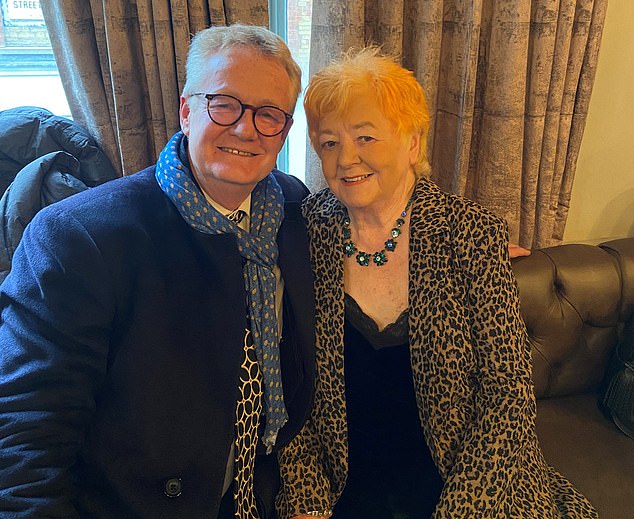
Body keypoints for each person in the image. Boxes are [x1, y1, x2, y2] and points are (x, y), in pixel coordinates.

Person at [0, 24, 315, 519]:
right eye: (224, 103)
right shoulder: (79, 238)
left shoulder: (294, 209)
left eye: (269, 114)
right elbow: (24, 435)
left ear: (285, 130)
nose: (245, 128)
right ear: (187, 112)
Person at [276, 47, 597, 518]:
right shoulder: (304, 232)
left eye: (366, 137)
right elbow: (291, 381)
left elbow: (507, 398)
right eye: (328, 142)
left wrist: (461, 509)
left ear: (411, 143)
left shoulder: (471, 233)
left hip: (462, 482)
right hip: (346, 483)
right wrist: (306, 497)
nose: (346, 159)